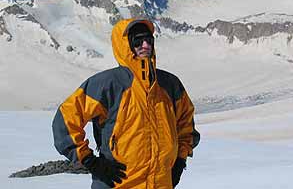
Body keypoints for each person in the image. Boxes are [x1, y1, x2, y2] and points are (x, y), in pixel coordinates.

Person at [52, 18, 200, 188]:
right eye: (137, 41)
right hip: (118, 184)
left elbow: (186, 126)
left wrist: (180, 160)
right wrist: (90, 161)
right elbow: (66, 119)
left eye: (148, 40)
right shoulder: (108, 84)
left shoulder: (170, 84)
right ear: (125, 45)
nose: (145, 45)